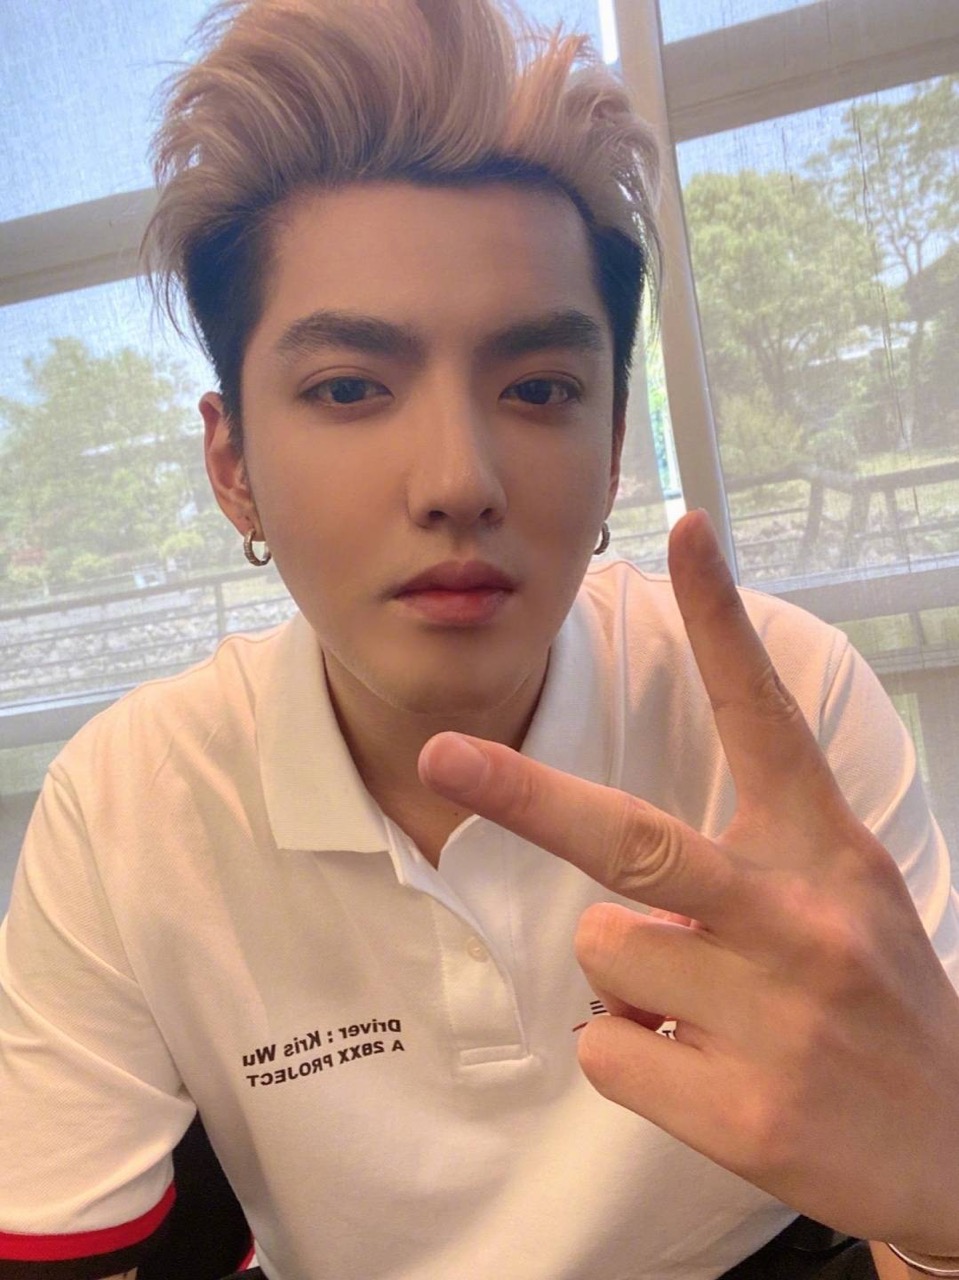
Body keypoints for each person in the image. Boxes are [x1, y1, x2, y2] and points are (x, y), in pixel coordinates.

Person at [1, 0, 957, 1277]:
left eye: (538, 387)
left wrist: (940, 1201)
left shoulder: (784, 704)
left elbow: (908, 1195)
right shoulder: (125, 805)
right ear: (232, 468)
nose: (457, 478)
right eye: (349, 388)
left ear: (610, 445)